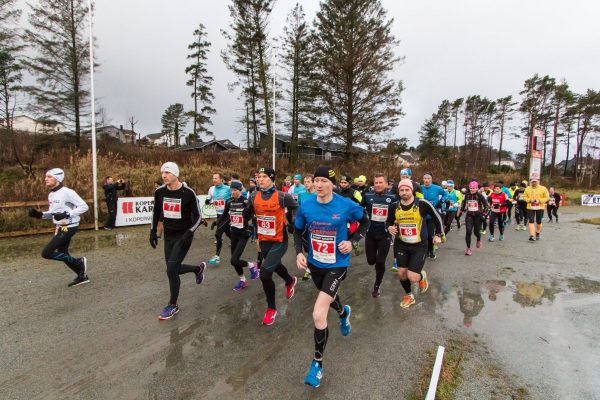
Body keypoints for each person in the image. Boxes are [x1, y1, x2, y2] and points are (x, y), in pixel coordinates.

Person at [294, 166, 369, 388]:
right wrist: (299, 252)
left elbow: (365, 221)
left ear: (332, 184)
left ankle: (317, 364)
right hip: (316, 263)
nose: (318, 185)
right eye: (316, 180)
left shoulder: (345, 205)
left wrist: (352, 241)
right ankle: (344, 312)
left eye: (323, 181)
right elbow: (297, 231)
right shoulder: (306, 204)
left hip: (338, 264)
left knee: (318, 313)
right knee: (328, 297)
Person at [150, 162, 207, 320]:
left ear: (175, 174)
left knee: (170, 270)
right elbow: (156, 212)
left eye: (167, 172)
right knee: (172, 268)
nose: (164, 175)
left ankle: (173, 305)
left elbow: (198, 216)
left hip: (183, 236)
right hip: (169, 235)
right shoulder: (159, 192)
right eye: (162, 172)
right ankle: (197, 269)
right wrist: (152, 231)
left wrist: (190, 232)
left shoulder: (188, 192)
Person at [245, 167, 299, 325]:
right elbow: (250, 213)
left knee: (265, 273)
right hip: (264, 240)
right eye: (259, 176)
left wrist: (293, 220)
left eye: (264, 177)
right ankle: (290, 280)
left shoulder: (283, 196)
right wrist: (246, 219)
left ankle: (271, 308)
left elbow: (296, 207)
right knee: (274, 266)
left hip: (279, 240)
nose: (260, 179)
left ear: (272, 179)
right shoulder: (254, 196)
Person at [386, 179, 443, 308]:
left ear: (412, 190)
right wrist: (389, 228)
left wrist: (438, 234)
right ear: (398, 191)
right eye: (402, 190)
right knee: (401, 273)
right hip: (402, 243)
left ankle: (421, 276)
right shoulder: (394, 206)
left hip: (419, 245)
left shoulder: (422, 203)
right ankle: (409, 295)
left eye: (407, 190)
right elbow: (388, 222)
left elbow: (436, 216)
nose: (404, 192)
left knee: (412, 277)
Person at [28, 168, 90, 287]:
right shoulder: (51, 194)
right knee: (62, 253)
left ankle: (79, 262)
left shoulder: (68, 192)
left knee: (46, 253)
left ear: (57, 178)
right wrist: (39, 215)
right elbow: (54, 214)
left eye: (49, 176)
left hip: (69, 226)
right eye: (45, 176)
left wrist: (67, 214)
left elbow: (84, 206)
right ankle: (82, 275)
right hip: (59, 226)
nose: (45, 179)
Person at [217, 181, 260, 291]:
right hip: (234, 233)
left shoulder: (246, 201)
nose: (233, 192)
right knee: (234, 260)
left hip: (244, 234)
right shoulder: (229, 201)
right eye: (231, 190)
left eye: (235, 190)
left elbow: (253, 214)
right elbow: (224, 215)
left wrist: (253, 224)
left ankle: (252, 265)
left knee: (234, 260)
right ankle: (242, 280)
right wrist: (217, 222)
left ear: (240, 190)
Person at [361, 173, 396, 297]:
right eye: (376, 182)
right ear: (373, 184)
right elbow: (359, 209)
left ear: (386, 184)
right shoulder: (367, 195)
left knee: (380, 261)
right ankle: (378, 267)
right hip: (370, 233)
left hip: (385, 234)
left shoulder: (393, 197)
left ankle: (377, 285)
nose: (378, 184)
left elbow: (399, 212)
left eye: (381, 182)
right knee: (371, 261)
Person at [206, 173, 232, 265]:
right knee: (228, 232)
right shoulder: (211, 189)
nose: (214, 180)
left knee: (218, 234)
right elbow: (208, 199)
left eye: (216, 178)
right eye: (213, 178)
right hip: (219, 214)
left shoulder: (228, 189)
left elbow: (237, 196)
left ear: (221, 179)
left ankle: (217, 257)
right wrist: (208, 200)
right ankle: (236, 241)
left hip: (227, 215)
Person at [421, 172, 448, 259]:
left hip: (433, 215)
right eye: (425, 178)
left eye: (428, 178)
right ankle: (424, 251)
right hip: (423, 215)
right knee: (423, 234)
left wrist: (442, 201)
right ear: (423, 180)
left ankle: (431, 250)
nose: (427, 180)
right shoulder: (420, 188)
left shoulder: (437, 188)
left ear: (431, 180)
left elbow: (445, 194)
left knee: (430, 234)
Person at [458, 181, 488, 255]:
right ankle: (468, 249)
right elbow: (464, 204)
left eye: (474, 188)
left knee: (476, 232)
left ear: (477, 188)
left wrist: (484, 213)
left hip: (478, 216)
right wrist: (461, 212)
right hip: (469, 215)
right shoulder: (467, 195)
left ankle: (478, 239)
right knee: (468, 231)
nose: (472, 189)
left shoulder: (480, 196)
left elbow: (486, 206)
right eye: (471, 188)